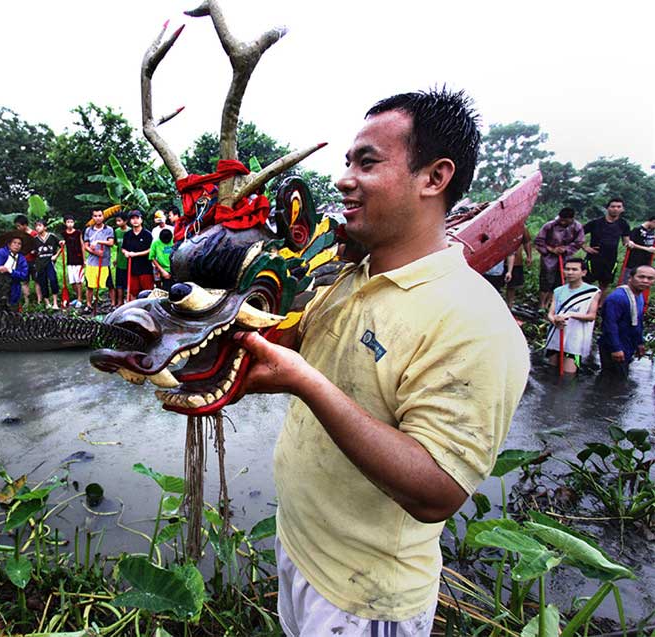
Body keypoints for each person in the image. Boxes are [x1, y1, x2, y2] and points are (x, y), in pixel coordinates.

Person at [232, 89, 529, 636]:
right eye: (346, 162)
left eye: (367, 162)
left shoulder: (474, 321)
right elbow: (291, 344)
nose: (344, 178)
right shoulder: (345, 273)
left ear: (433, 178)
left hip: (365, 598)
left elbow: (437, 491)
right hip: (299, 548)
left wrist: (302, 382)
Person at [544, 258, 600, 374]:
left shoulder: (593, 292)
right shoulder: (558, 291)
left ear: (583, 272)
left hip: (576, 338)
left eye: (574, 269)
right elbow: (551, 313)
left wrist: (570, 315)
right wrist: (554, 320)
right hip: (556, 334)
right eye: (567, 269)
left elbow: (591, 316)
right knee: (550, 370)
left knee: (569, 374)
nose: (570, 272)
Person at [598, 264, 655, 377]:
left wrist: (639, 343)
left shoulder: (639, 296)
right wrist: (616, 348)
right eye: (641, 277)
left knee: (620, 379)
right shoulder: (618, 298)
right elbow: (610, 325)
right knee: (612, 380)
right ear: (631, 277)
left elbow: (637, 321)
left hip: (628, 344)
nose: (645, 281)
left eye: (650, 278)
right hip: (614, 346)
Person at [534, 207, 585, 311]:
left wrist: (565, 249)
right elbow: (539, 241)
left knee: (559, 281)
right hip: (548, 257)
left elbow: (579, 242)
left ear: (571, 219)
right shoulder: (549, 225)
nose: (562, 222)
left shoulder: (577, 227)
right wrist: (552, 250)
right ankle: (541, 305)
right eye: (561, 219)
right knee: (546, 280)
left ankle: (550, 304)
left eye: (565, 220)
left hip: (566, 258)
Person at [581, 198, 630, 299]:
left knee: (604, 284)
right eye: (613, 206)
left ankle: (599, 306)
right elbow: (577, 233)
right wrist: (585, 247)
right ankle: (584, 303)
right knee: (587, 282)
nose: (615, 209)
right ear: (607, 208)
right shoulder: (596, 222)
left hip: (611, 259)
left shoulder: (623, 224)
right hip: (594, 258)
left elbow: (626, 241)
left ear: (622, 209)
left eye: (618, 207)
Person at [82, 209, 115, 311]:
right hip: (92, 262)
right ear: (92, 217)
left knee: (109, 284)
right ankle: (89, 304)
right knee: (90, 285)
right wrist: (95, 252)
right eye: (95, 216)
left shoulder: (108, 229)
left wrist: (98, 242)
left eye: (100, 215)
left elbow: (111, 243)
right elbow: (86, 246)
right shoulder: (88, 230)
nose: (98, 218)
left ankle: (113, 304)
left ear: (103, 216)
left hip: (104, 262)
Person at [0, 232, 30, 311]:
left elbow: (24, 274)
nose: (17, 245)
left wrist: (10, 271)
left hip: (14, 287)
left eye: (19, 244)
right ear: (9, 244)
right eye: (14, 243)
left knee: (12, 311)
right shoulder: (1, 252)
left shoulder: (21, 258)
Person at [121, 210, 154, 300]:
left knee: (147, 292)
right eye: (132, 218)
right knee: (133, 292)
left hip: (145, 268)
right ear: (130, 221)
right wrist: (126, 253)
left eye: (137, 218)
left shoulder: (147, 234)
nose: (135, 220)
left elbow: (150, 250)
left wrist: (136, 254)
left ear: (141, 220)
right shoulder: (127, 235)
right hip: (132, 268)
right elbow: (123, 248)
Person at [32, 219, 61, 308]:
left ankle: (55, 303)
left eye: (40, 225)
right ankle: (47, 303)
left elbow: (61, 246)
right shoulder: (35, 239)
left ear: (45, 227)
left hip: (50, 262)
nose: (37, 228)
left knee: (53, 280)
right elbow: (33, 250)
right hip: (40, 263)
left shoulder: (52, 236)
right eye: (36, 226)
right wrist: (33, 252)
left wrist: (56, 255)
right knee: (42, 282)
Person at [621, 214, 655, 284]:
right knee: (628, 282)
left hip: (645, 262)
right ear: (653, 221)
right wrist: (647, 249)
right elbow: (630, 244)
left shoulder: (652, 231)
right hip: (633, 261)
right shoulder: (637, 230)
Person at [504, 225, 533, 309]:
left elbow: (527, 242)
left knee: (512, 285)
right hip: (498, 261)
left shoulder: (522, 227)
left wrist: (529, 256)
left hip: (516, 260)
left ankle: (509, 305)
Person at [60, 214, 84, 306]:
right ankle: (78, 297)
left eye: (71, 222)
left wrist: (84, 259)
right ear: (65, 223)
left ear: (74, 223)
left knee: (79, 281)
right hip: (70, 260)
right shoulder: (64, 234)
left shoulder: (78, 232)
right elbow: (62, 245)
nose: (70, 224)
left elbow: (82, 245)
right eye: (68, 222)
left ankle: (80, 299)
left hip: (78, 259)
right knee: (72, 281)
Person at [14, 214, 37, 306]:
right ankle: (27, 301)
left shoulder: (34, 234)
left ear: (25, 225)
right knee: (24, 281)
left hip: (34, 261)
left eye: (19, 226)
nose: (18, 228)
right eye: (17, 226)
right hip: (23, 261)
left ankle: (39, 300)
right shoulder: (18, 236)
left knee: (37, 281)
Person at [113, 212, 130, 306]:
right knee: (119, 283)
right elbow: (118, 247)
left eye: (119, 221)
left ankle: (127, 301)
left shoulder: (130, 231)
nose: (117, 223)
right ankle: (119, 302)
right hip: (120, 261)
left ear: (125, 221)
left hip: (129, 261)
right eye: (117, 221)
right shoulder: (116, 231)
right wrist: (116, 259)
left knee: (128, 283)